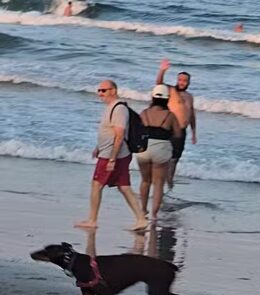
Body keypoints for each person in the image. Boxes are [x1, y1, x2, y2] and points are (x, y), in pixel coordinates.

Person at [75, 80, 148, 231]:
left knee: (96, 185)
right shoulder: (111, 107)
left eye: (104, 90)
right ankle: (141, 219)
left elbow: (119, 135)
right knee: (124, 187)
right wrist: (98, 148)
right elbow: (108, 132)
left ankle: (92, 220)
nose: (100, 93)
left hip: (113, 155)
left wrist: (112, 159)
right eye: (99, 90)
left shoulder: (119, 109)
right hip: (112, 153)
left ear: (113, 91)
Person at [137, 84, 181, 220]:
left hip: (144, 148)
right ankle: (154, 214)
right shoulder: (170, 116)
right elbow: (178, 134)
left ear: (153, 98)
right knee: (158, 183)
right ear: (167, 99)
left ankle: (143, 210)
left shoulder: (144, 113)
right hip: (161, 149)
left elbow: (137, 130)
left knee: (145, 181)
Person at [155, 59, 197, 190]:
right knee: (166, 158)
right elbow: (159, 84)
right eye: (180, 80)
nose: (182, 82)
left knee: (175, 159)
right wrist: (162, 70)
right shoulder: (172, 91)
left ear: (188, 82)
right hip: (171, 129)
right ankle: (159, 182)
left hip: (182, 131)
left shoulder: (189, 96)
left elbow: (191, 115)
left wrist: (194, 133)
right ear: (177, 80)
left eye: (185, 80)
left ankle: (169, 182)